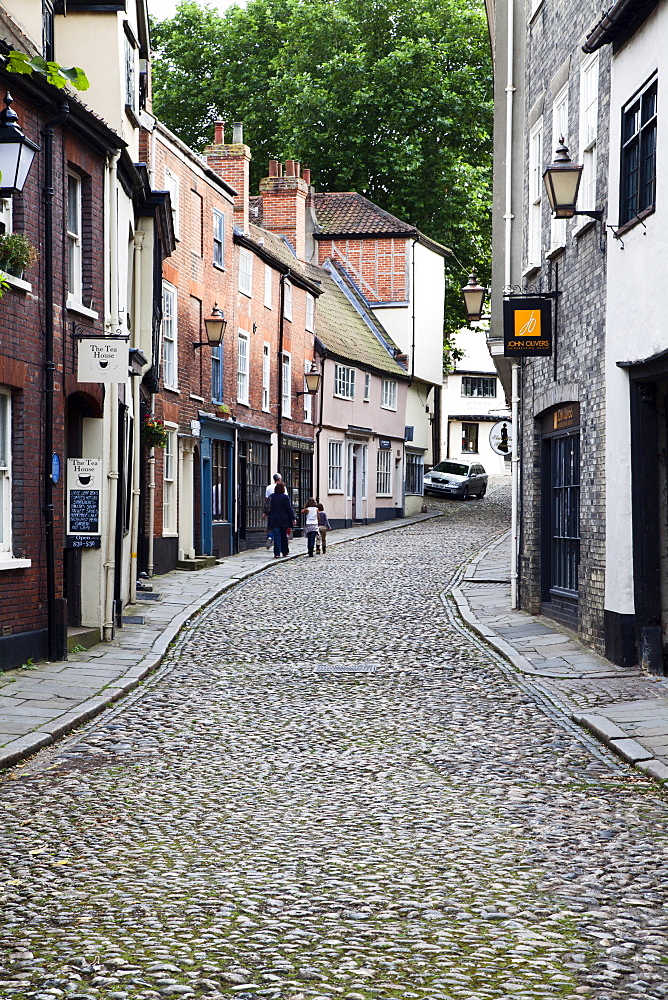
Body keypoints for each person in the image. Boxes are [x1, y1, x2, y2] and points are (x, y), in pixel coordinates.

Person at [267, 482, 296, 558]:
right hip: (284, 519)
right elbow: (289, 508)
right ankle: (284, 552)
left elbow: (267, 507)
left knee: (276, 536)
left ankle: (276, 553)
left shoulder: (272, 496)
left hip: (274, 519)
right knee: (283, 536)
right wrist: (293, 518)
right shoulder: (285, 497)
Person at [264, 473, 282, 549]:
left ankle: (270, 537)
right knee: (278, 527)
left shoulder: (268, 487)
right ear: (279, 479)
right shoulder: (282, 487)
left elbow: (266, 500)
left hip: (271, 509)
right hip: (280, 510)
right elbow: (285, 499)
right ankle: (277, 543)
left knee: (271, 525)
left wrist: (264, 512)